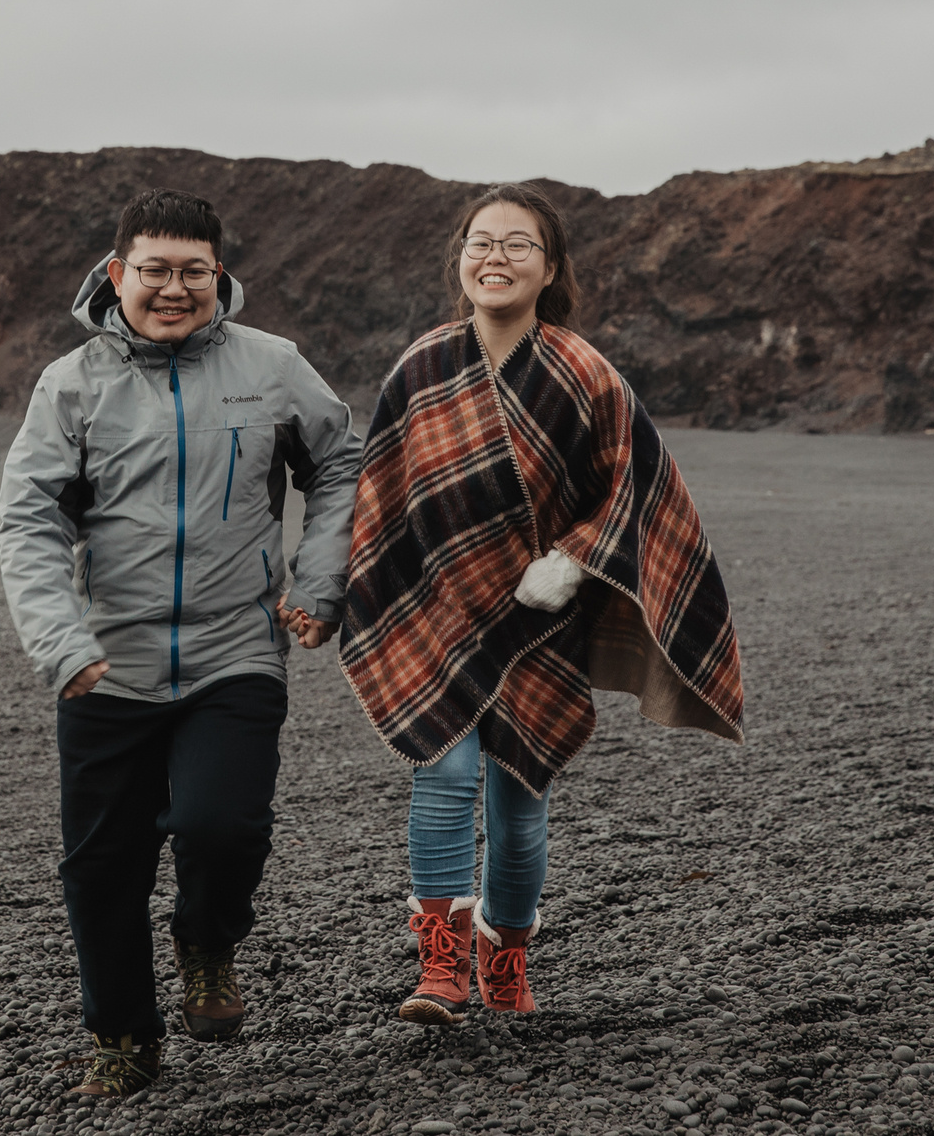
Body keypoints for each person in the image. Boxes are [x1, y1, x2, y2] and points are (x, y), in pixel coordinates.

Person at [294, 182, 743, 1023]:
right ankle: (441, 968)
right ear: (459, 259)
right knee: (444, 769)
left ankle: (507, 955)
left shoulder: (585, 372)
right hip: (434, 611)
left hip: (539, 624)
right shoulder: (421, 365)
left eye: (517, 245)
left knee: (517, 802)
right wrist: (338, 593)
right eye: (480, 242)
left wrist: (575, 560)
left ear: (550, 269)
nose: (494, 257)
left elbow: (638, 485)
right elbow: (377, 493)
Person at [0, 189, 364, 1099]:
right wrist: (60, 640)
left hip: (235, 648)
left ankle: (206, 937)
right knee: (103, 862)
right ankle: (123, 1035)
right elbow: (29, 516)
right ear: (117, 273)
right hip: (105, 664)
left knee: (221, 825)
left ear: (219, 276)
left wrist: (319, 584)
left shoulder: (271, 365)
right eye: (154, 270)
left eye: (192, 271)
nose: (173, 288)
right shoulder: (71, 383)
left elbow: (342, 461)